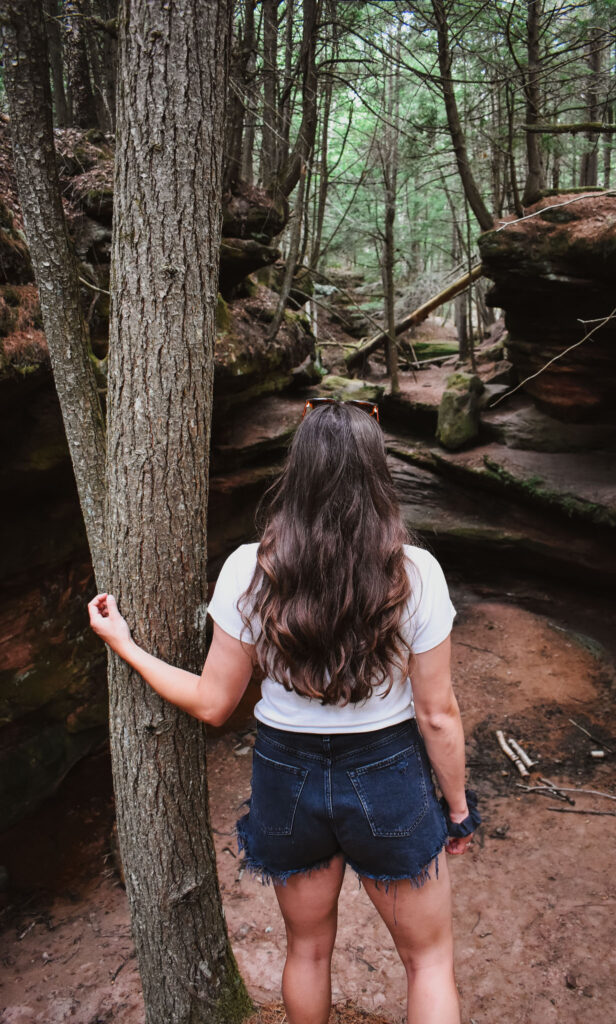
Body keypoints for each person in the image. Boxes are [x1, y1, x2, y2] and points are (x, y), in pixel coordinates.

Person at [88, 398, 480, 1024]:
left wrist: (126, 646)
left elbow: (214, 703)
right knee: (428, 962)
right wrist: (457, 809)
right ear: (377, 474)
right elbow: (437, 714)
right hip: (387, 774)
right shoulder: (416, 573)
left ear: (298, 472)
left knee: (308, 949)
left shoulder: (252, 568)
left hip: (285, 776)